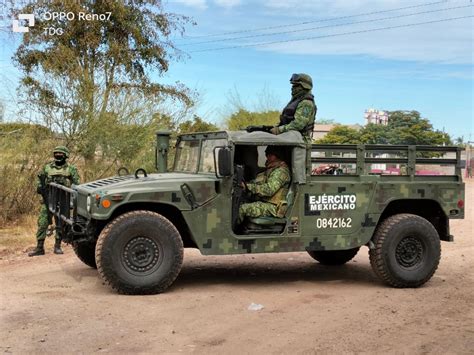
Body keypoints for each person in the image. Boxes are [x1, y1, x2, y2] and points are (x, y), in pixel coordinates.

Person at [28, 146, 80, 257]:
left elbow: (76, 184)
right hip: (48, 198)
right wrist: (39, 187)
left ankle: (57, 246)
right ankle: (39, 248)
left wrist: (72, 198)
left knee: (60, 224)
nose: (58, 155)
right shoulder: (47, 167)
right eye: (56, 153)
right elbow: (40, 179)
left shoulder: (71, 169)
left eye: (61, 154)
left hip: (63, 199)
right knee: (42, 223)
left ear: (66, 155)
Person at [239, 146, 291, 223]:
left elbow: (269, 190)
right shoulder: (271, 169)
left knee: (242, 209)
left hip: (274, 207)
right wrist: (246, 184)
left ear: (278, 156)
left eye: (271, 155)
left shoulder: (281, 171)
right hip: (266, 202)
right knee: (239, 203)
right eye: (267, 154)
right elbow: (258, 182)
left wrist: (248, 187)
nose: (267, 157)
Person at [270, 73, 317, 143]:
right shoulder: (296, 100)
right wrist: (274, 128)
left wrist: (279, 130)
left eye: (296, 86)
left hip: (300, 141)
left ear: (304, 87)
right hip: (289, 138)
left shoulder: (306, 103)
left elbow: (298, 124)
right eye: (293, 85)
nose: (292, 88)